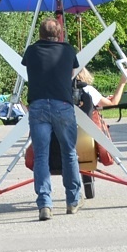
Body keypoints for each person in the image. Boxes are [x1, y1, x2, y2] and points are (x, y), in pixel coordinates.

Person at [21, 17, 82, 221]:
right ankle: (72, 200)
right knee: (69, 152)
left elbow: (27, 68)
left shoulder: (31, 51)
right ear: (59, 34)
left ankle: (45, 204)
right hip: (62, 105)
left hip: (38, 106)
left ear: (40, 34)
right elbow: (72, 74)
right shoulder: (68, 50)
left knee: (41, 155)